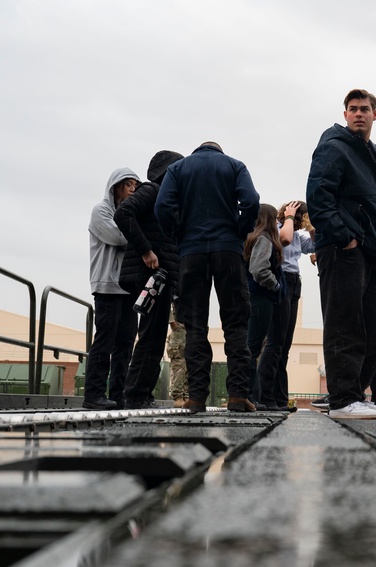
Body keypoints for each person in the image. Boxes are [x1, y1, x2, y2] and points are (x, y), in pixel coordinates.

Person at [305, 89, 376, 420]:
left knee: (373, 327)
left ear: (375, 114)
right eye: (353, 109)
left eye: (365, 109)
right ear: (345, 115)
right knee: (346, 322)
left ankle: (354, 395)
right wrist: (344, 238)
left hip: (372, 251)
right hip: (345, 248)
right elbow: (317, 194)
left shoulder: (373, 155)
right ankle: (343, 399)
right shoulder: (334, 146)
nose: (359, 113)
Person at [154, 141, 260, 413]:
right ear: (219, 150)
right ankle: (237, 395)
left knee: (195, 326)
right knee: (235, 324)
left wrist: (178, 235)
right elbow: (251, 201)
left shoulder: (178, 169)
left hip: (192, 253)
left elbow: (162, 207)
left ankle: (197, 397)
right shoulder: (235, 166)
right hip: (228, 251)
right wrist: (239, 231)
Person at [114, 150, 184, 409]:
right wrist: (146, 250)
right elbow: (122, 214)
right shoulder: (152, 190)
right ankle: (136, 395)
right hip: (150, 274)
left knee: (152, 336)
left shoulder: (163, 197)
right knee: (151, 336)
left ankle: (140, 394)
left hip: (159, 275)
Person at [83, 167, 141, 410]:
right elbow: (117, 237)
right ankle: (93, 394)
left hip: (128, 287)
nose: (133, 190)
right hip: (107, 285)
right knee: (105, 341)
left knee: (126, 342)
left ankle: (119, 394)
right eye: (128, 185)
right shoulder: (101, 211)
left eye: (135, 186)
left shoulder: (132, 214)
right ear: (116, 187)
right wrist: (140, 236)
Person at [258, 201, 314, 411]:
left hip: (294, 283)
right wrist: (289, 217)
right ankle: (265, 397)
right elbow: (285, 239)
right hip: (281, 280)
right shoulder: (280, 229)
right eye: (303, 217)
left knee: (284, 346)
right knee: (275, 342)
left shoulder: (299, 235)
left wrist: (311, 227)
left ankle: (280, 399)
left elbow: (316, 244)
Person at [244, 204, 287, 407]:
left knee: (251, 346)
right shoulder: (264, 239)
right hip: (261, 297)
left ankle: (247, 395)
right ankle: (247, 395)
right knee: (253, 347)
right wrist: (276, 285)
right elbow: (259, 270)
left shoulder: (254, 237)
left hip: (254, 296)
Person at [167, 300, 188, 407]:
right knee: (179, 364)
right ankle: (178, 396)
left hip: (194, 327)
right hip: (180, 327)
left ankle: (187, 396)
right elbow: (167, 300)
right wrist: (173, 323)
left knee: (191, 363)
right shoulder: (178, 284)